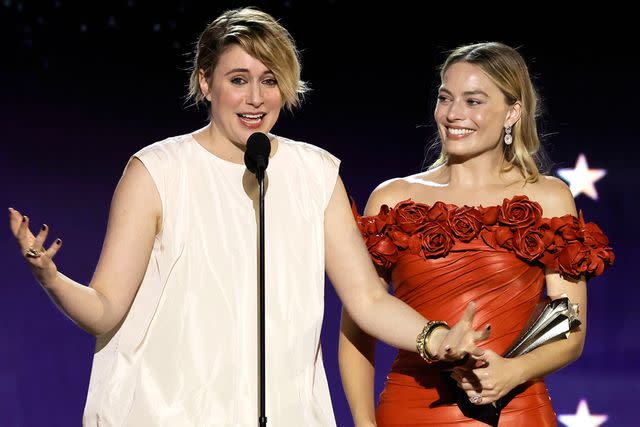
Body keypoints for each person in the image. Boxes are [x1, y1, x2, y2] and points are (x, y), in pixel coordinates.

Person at [8, 9, 491, 426]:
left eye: (270, 79)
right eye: (238, 80)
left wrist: (437, 337)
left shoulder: (314, 173)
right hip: (166, 413)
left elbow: (366, 299)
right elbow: (105, 310)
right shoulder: (157, 171)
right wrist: (51, 278)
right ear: (205, 82)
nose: (256, 98)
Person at [340, 42, 614, 426]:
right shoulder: (393, 198)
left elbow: (570, 332)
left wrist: (513, 373)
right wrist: (364, 423)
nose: (453, 114)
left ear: (512, 112)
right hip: (408, 412)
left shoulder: (548, 197)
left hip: (516, 412)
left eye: (474, 101)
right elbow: (358, 325)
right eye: (445, 98)